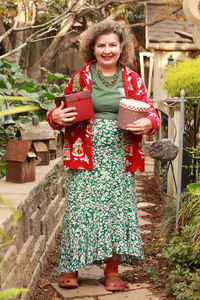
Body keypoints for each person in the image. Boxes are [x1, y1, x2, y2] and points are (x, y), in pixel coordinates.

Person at [47, 20, 159, 291]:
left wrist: (149, 123)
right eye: (101, 45)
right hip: (84, 154)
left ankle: (112, 270)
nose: (107, 50)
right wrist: (55, 116)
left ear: (122, 48)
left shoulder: (132, 79)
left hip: (120, 155)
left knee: (116, 211)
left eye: (113, 45)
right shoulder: (80, 77)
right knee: (80, 210)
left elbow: (150, 111)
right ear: (92, 48)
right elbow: (59, 112)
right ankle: (70, 267)